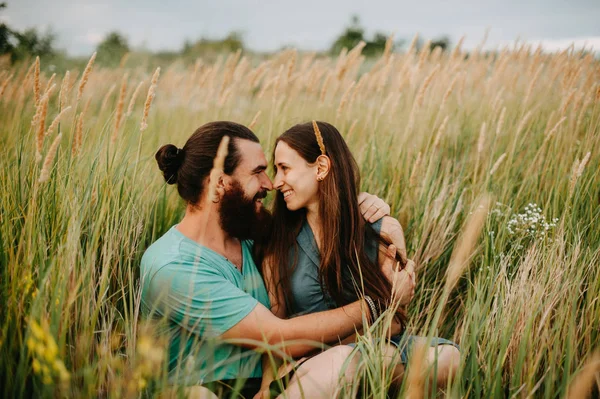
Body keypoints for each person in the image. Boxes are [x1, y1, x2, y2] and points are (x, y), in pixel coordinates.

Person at [141, 121, 405, 398]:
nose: (270, 184)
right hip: (201, 389)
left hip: (277, 383)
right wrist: (377, 304)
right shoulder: (173, 266)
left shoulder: (253, 237)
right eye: (258, 172)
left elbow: (323, 214)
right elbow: (277, 337)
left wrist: (365, 209)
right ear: (219, 184)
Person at [261, 120, 460, 393]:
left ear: (321, 167)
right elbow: (275, 330)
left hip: (378, 351)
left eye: (284, 168)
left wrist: (335, 348)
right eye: (276, 170)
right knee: (342, 364)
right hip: (304, 361)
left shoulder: (382, 228)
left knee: (450, 358)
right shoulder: (278, 240)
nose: (276, 182)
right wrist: (265, 386)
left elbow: (396, 318)